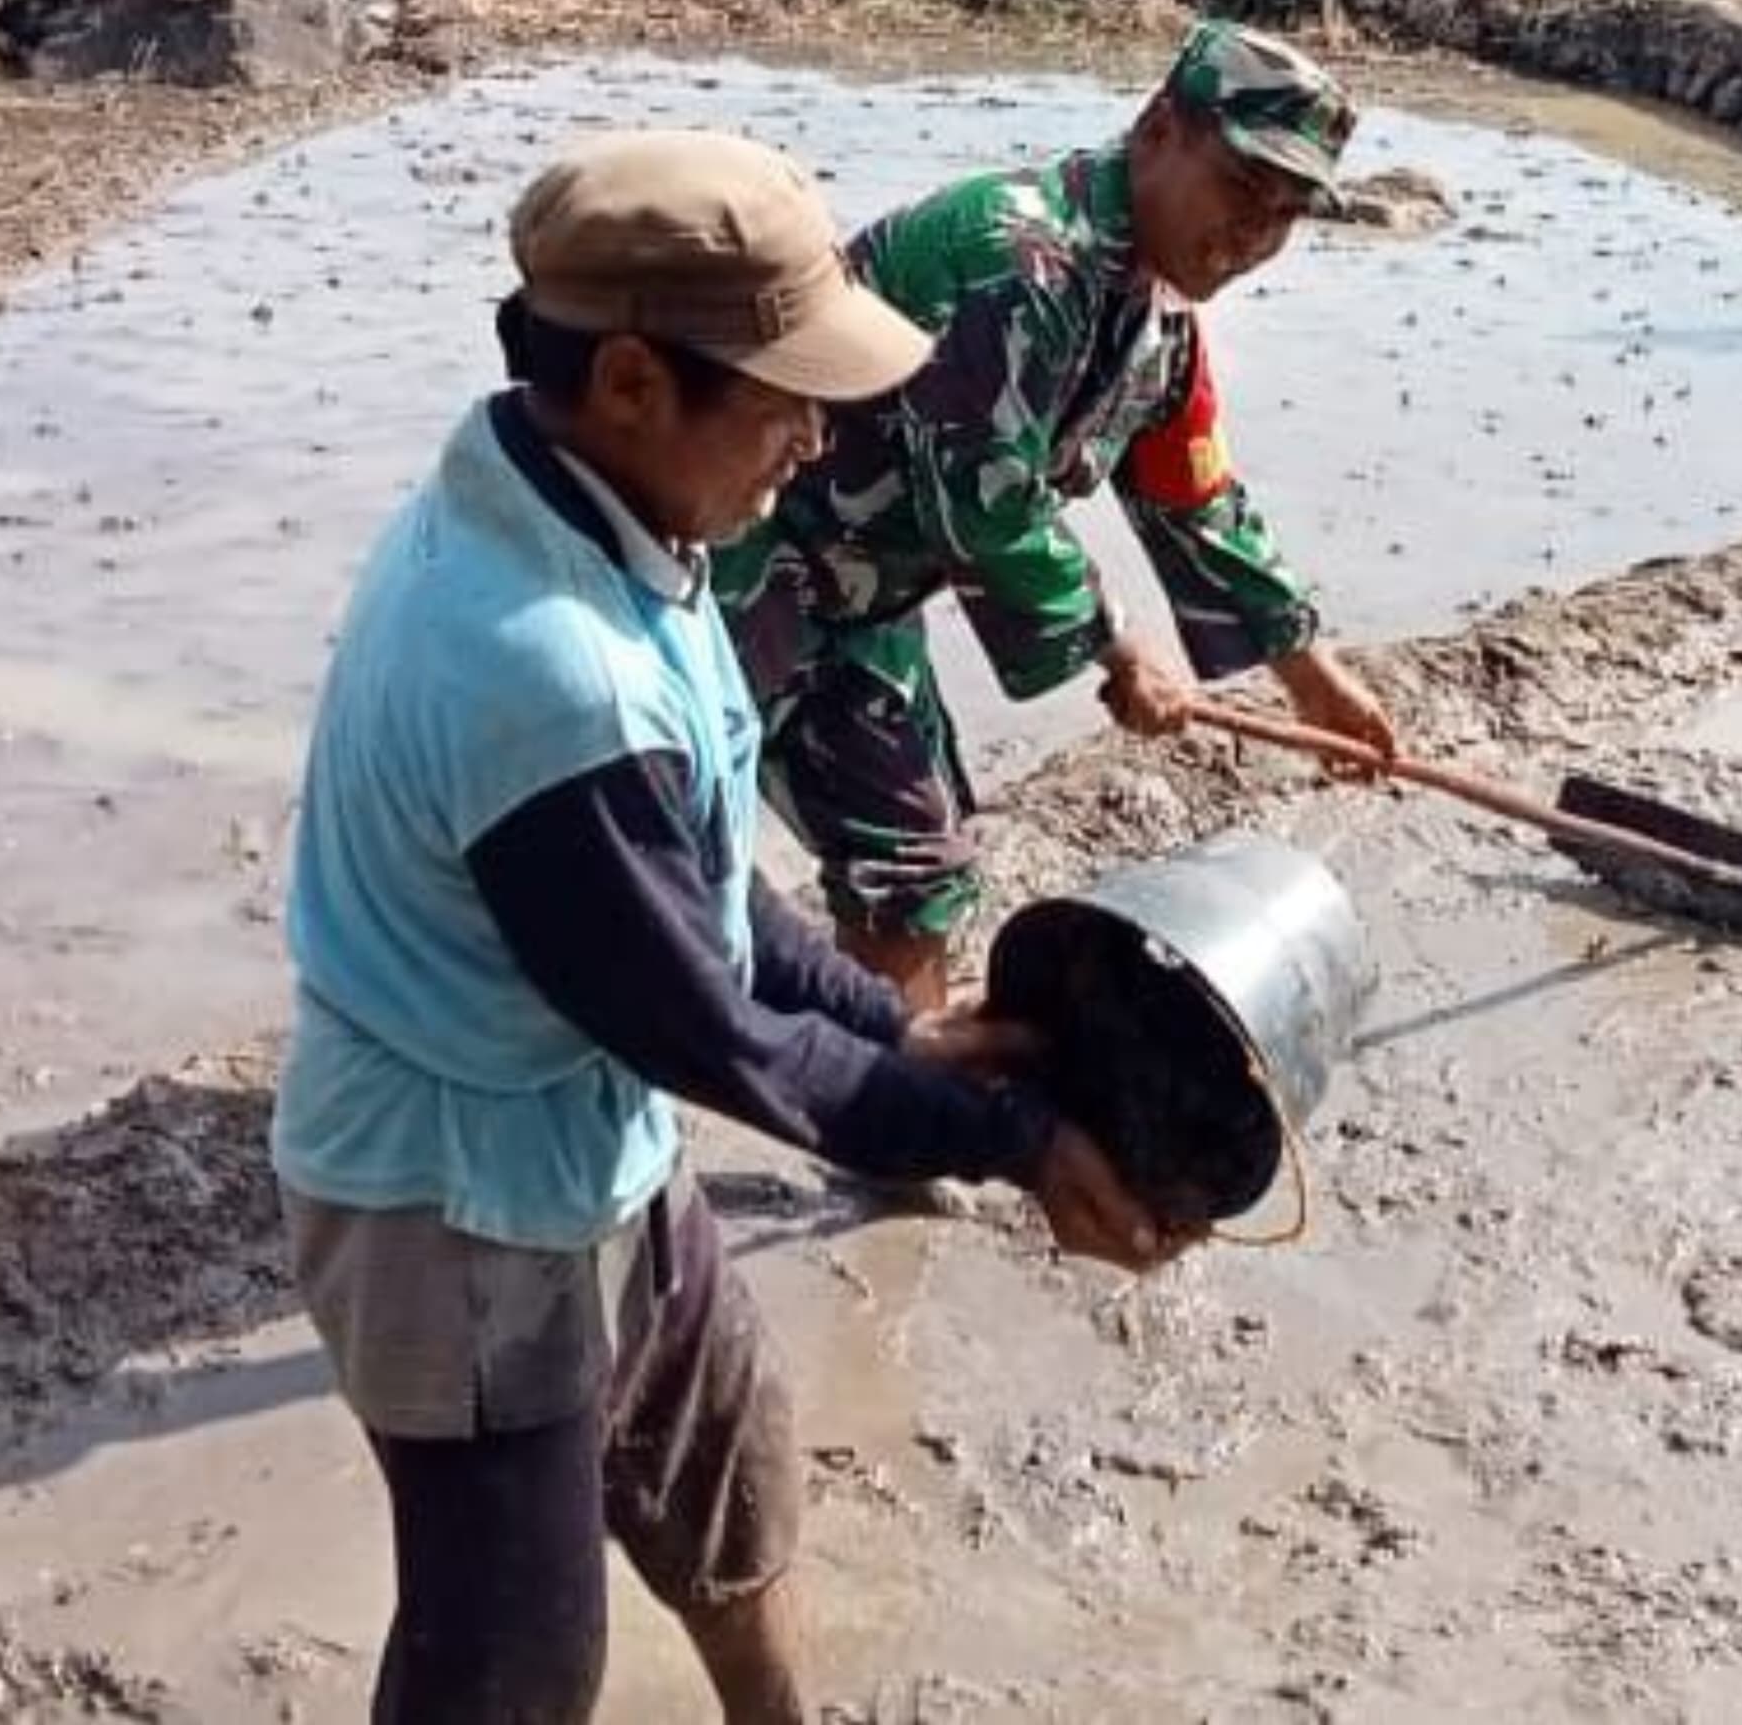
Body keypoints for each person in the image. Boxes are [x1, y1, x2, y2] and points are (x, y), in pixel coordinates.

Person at [273, 129, 1186, 1725]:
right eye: (783, 401)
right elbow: (702, 1026)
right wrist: (1015, 1135)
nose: (815, 440)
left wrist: (890, 1018)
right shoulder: (539, 666)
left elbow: (699, 886)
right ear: (632, 381)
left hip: (588, 1149)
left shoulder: (609, 517)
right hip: (461, 1210)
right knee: (508, 1664)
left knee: (728, 1483)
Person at [715, 19, 1400, 1017]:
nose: (1256, 234)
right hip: (743, 564)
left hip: (862, 599)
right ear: (1160, 128)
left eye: (1288, 212)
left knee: (914, 864)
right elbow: (989, 504)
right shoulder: (1019, 258)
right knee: (652, 843)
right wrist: (1121, 652)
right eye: (1244, 188)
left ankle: (889, 1120)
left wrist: (1311, 674)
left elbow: (1192, 492)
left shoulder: (1158, 319)